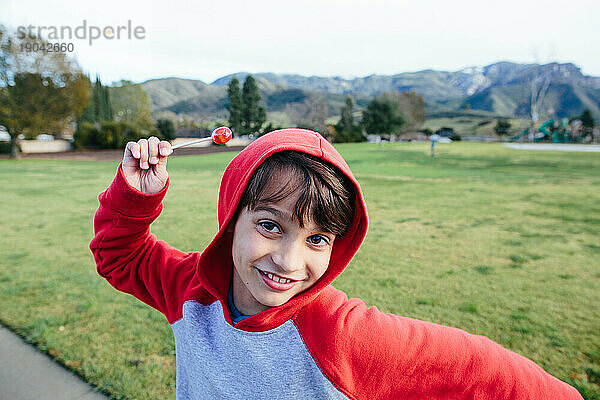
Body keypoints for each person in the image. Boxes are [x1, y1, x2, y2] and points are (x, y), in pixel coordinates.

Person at [90, 128, 582, 399]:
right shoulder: (188, 288)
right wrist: (136, 196)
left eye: (317, 238)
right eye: (269, 225)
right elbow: (118, 257)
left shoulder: (345, 335)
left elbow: (486, 370)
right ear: (231, 215)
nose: (288, 261)